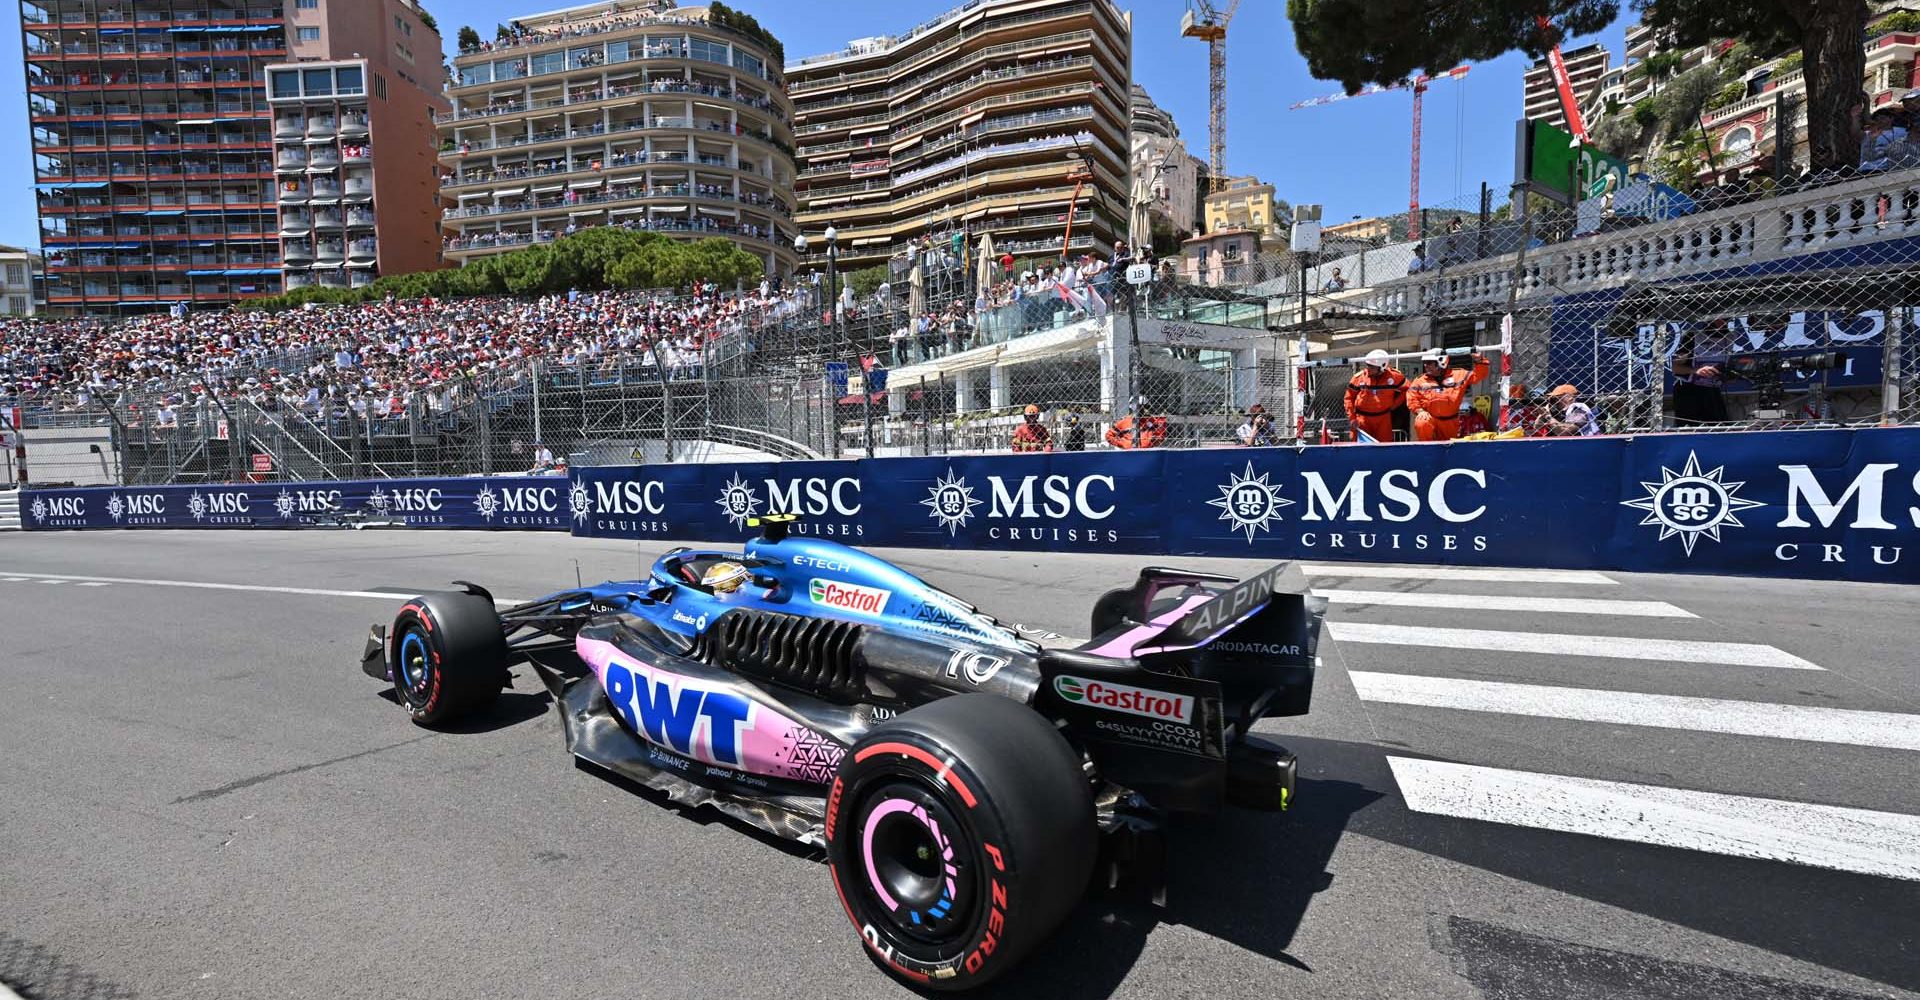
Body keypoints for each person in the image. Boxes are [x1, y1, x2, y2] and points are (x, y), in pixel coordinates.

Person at [1405, 350, 1488, 442]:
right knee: (1421, 422)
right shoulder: (1419, 381)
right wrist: (1419, 411)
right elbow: (1411, 397)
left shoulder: (1459, 375)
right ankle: (1427, 450)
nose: (1426, 366)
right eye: (1424, 363)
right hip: (1431, 420)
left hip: (1451, 422)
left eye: (1429, 363)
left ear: (1441, 362)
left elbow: (1479, 375)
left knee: (1450, 448)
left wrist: (1479, 360)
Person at [1343, 349, 1407, 443]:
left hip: (1383, 419)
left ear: (1382, 367)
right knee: (1360, 449)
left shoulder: (1394, 377)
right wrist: (1352, 418)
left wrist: (1394, 405)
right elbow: (1348, 398)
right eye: (1367, 365)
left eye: (1372, 367)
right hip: (1362, 419)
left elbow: (1407, 390)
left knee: (1385, 448)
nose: (1368, 368)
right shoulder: (1359, 378)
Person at [1671, 350, 1732, 425]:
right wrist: (1696, 371)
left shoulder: (1726, 342)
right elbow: (1675, 368)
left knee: (1718, 424)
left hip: (1712, 388)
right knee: (1689, 426)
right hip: (1688, 389)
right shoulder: (1690, 342)